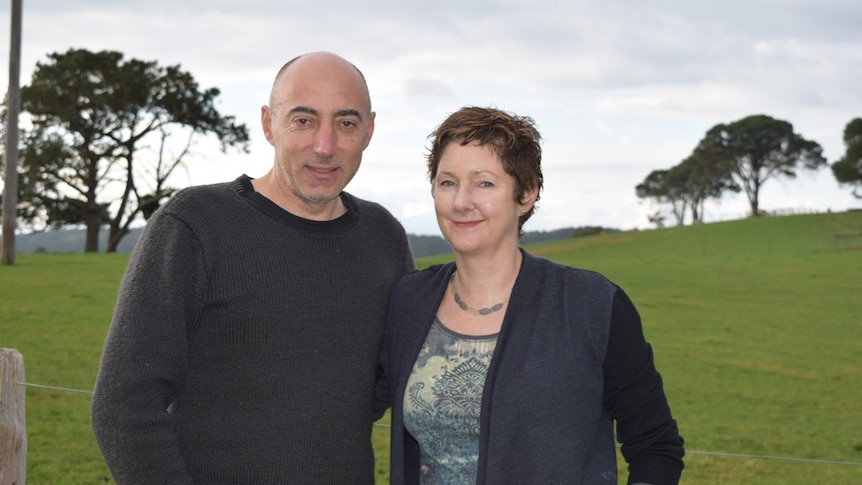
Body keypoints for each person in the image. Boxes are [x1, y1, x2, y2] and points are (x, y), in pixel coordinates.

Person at [91, 51, 415, 484]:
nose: (325, 145)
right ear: (268, 124)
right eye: (303, 120)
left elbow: (386, 381)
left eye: (346, 123)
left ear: (369, 130)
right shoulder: (194, 224)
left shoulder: (384, 237)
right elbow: (124, 403)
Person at [376, 106, 684, 484]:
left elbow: (655, 445)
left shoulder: (590, 306)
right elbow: (350, 398)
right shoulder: (409, 301)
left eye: (484, 183)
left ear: (525, 194)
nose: (461, 202)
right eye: (448, 182)